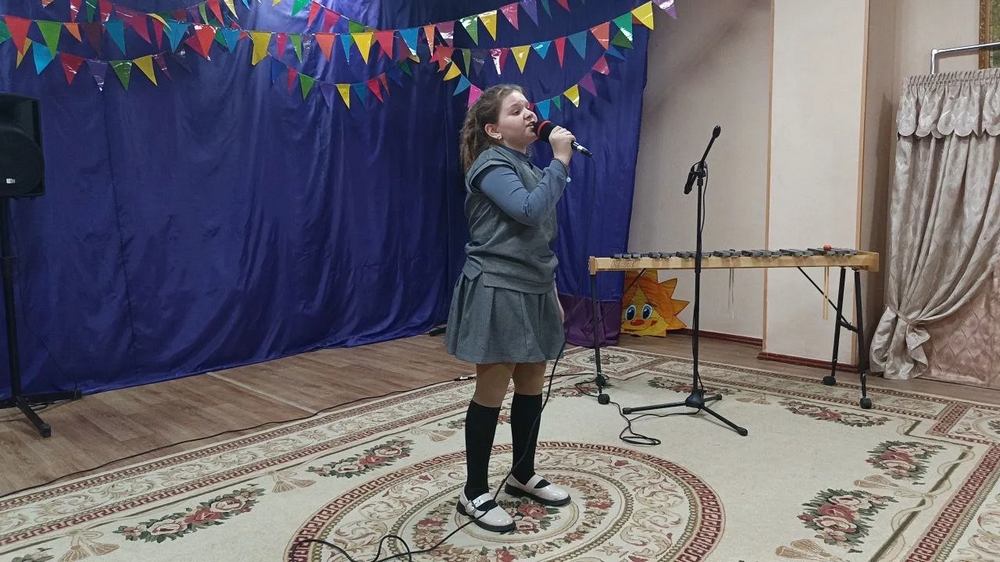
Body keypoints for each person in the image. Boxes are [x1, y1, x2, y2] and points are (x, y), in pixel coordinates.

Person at [446, 84, 576, 533]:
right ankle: (474, 491)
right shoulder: (491, 164)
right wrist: (561, 160)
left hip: (534, 285)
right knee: (492, 387)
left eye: (529, 107)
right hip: (497, 285)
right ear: (493, 130)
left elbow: (539, 237)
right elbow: (527, 210)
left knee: (531, 382)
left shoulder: (530, 167)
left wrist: (551, 290)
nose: (529, 114)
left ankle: (522, 473)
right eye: (516, 110)